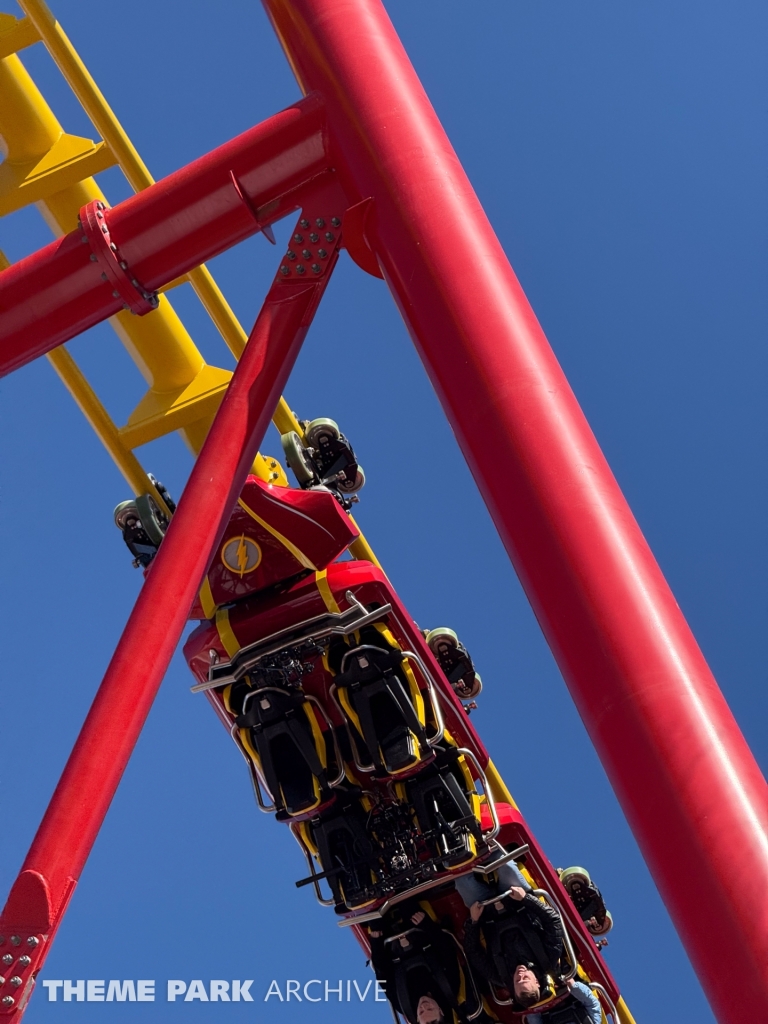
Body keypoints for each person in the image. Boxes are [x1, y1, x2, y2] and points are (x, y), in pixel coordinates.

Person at [457, 862, 564, 1009]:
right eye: (525, 978)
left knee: (462, 882)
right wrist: (526, 898)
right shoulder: (550, 957)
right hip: (518, 901)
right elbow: (553, 920)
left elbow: (472, 951)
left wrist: (474, 921)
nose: (520, 975)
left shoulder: (498, 976)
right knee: (506, 866)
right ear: (537, 982)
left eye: (517, 981)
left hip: (486, 910)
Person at [369, 907, 481, 1024]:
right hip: (421, 934)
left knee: (374, 916)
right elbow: (447, 950)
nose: (424, 1006)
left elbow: (382, 974)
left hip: (391, 946)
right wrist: (426, 924)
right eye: (430, 1008)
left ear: (417, 1019)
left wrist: (376, 943)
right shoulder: (450, 987)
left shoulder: (402, 1004)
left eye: (421, 1012)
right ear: (441, 1011)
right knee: (406, 904)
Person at [526, 978, 602, 1024]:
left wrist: (531, 1002)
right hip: (568, 990)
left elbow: (534, 1020)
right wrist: (574, 986)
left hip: (543, 998)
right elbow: (592, 1004)